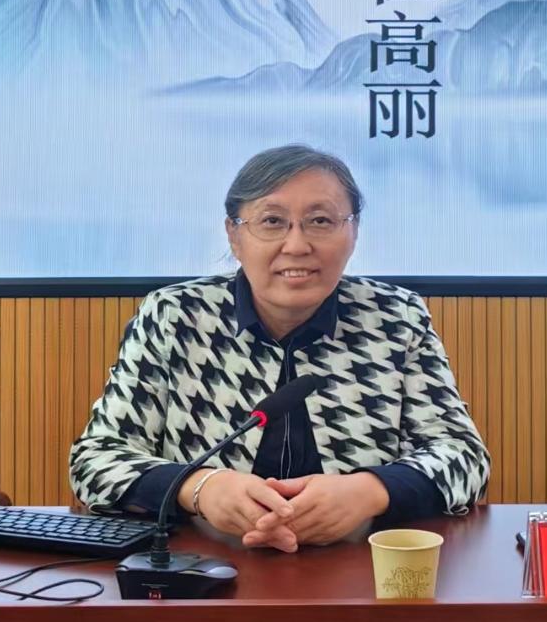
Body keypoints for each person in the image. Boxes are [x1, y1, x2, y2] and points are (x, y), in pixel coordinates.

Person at [69, 145, 490, 551]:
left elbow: (464, 456)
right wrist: (201, 487)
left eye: (320, 221)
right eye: (272, 221)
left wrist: (370, 491)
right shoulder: (177, 316)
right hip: (200, 567)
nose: (297, 245)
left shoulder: (395, 318)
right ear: (234, 235)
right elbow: (96, 459)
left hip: (363, 568)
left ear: (353, 232)